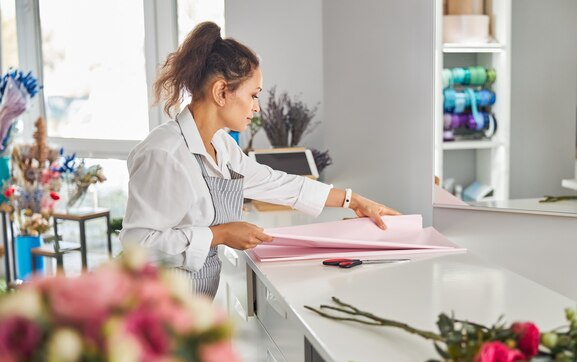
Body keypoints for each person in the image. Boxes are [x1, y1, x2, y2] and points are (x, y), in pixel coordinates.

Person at [121, 21, 400, 297]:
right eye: (253, 95)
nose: (256, 107)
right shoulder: (163, 153)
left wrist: (354, 201)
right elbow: (138, 246)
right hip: (156, 307)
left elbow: (276, 183)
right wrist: (220, 234)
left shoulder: (221, 146)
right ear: (221, 92)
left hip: (194, 306)